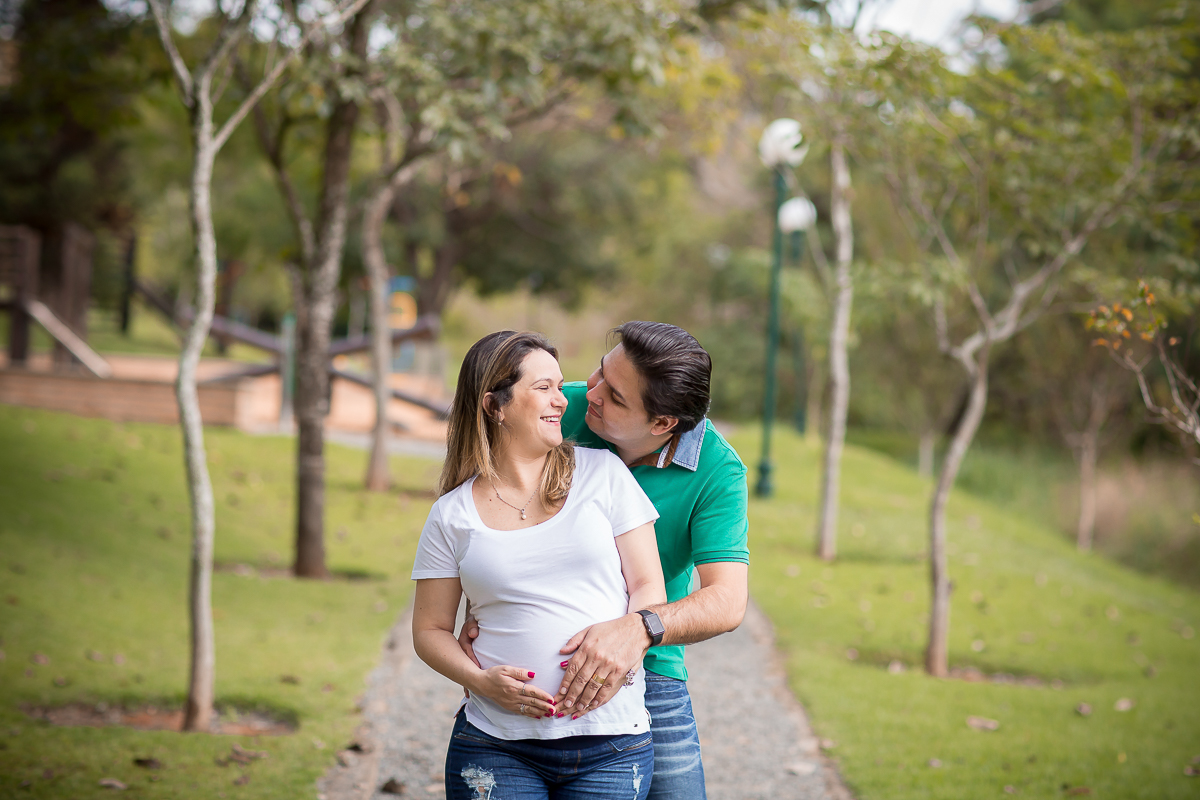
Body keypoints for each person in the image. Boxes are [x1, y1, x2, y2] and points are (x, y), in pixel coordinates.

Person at [463, 321, 750, 800]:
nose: (589, 393)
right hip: (528, 668)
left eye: (615, 397)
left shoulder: (718, 471)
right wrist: (482, 607)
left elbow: (727, 600)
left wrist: (638, 629)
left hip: (650, 662)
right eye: (600, 373)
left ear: (662, 425)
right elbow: (476, 506)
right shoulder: (562, 409)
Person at [411, 330, 668, 800]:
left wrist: (624, 654)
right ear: (495, 406)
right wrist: (480, 682)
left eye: (560, 384)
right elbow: (429, 630)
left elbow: (649, 585)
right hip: (496, 746)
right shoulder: (451, 514)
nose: (561, 401)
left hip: (612, 744)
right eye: (543, 387)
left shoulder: (604, 474)